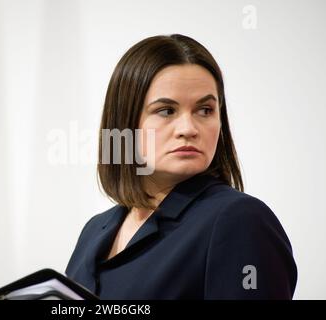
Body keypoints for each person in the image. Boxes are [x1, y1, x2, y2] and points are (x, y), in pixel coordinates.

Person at [65, 34, 297, 299]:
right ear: (124, 124)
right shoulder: (95, 230)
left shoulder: (241, 219)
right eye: (166, 111)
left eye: (205, 110)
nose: (188, 129)